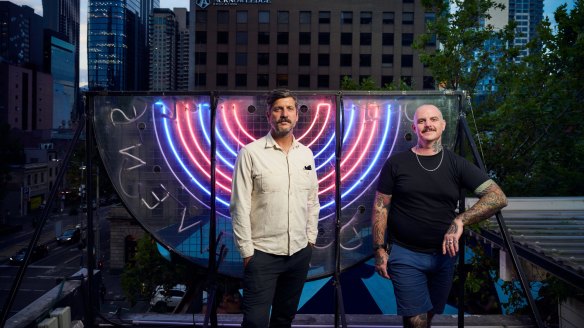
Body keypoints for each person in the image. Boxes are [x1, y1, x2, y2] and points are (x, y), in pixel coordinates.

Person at [371, 104, 507, 328]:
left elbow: (497, 196)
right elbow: (380, 207)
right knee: (416, 321)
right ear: (414, 128)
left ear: (443, 126)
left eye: (433, 119)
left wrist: (460, 220)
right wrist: (379, 249)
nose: (428, 125)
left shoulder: (456, 164)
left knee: (431, 314)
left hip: (444, 256)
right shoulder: (396, 163)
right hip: (405, 253)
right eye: (422, 121)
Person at [230, 89, 320, 328]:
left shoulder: (307, 154)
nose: (284, 114)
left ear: (297, 115)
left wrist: (310, 239)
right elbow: (239, 206)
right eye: (278, 109)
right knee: (255, 322)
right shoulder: (250, 153)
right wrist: (248, 252)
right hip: (262, 255)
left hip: (299, 253)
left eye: (289, 108)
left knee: (284, 319)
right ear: (268, 115)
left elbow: (312, 199)